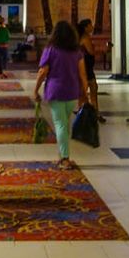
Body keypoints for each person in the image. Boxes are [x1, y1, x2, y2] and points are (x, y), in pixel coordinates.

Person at [34, 19, 89, 162]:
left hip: (55, 91)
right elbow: (83, 73)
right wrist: (85, 91)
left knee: (60, 124)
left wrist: (36, 89)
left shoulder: (50, 50)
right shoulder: (76, 52)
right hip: (72, 92)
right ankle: (63, 152)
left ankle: (65, 157)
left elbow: (43, 72)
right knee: (65, 123)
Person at [77, 18, 104, 122]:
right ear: (86, 27)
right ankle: (94, 113)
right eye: (90, 25)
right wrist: (101, 49)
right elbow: (91, 52)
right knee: (92, 89)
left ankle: (84, 112)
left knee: (84, 91)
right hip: (87, 67)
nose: (92, 27)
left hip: (83, 66)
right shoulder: (85, 38)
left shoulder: (80, 38)